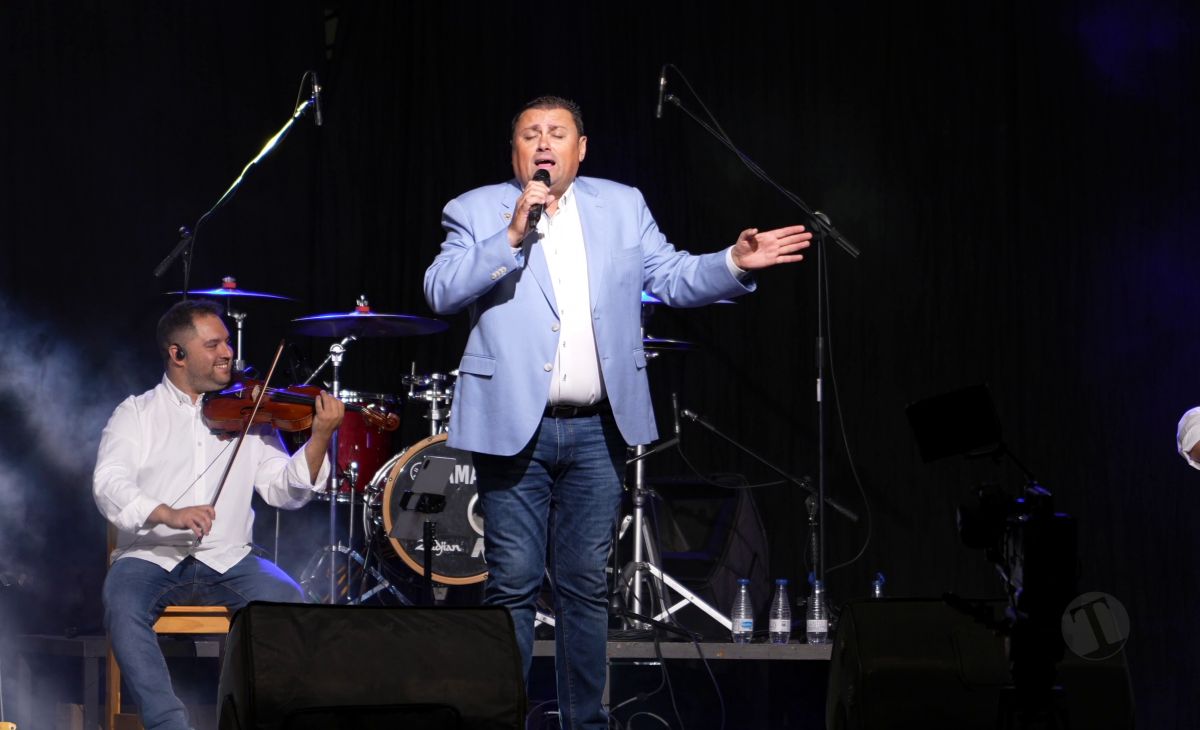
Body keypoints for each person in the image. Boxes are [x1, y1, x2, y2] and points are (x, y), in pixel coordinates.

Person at [424, 95, 811, 729]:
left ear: (581, 149)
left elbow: (673, 276)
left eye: (557, 133)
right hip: (511, 427)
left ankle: (586, 723)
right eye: (530, 134)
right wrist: (513, 232)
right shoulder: (475, 209)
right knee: (513, 586)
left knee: (584, 588)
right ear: (515, 151)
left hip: (598, 428)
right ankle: (502, 720)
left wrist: (734, 261)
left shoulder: (622, 205)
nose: (543, 143)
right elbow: (441, 290)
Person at [93, 299, 344, 730]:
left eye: (227, 341)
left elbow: (284, 490)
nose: (228, 352)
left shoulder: (250, 415)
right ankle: (169, 724)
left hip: (229, 557)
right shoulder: (135, 414)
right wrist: (167, 513)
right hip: (153, 556)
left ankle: (263, 719)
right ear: (178, 354)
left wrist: (319, 438)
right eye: (213, 345)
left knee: (289, 602)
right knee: (121, 602)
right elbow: (108, 483)